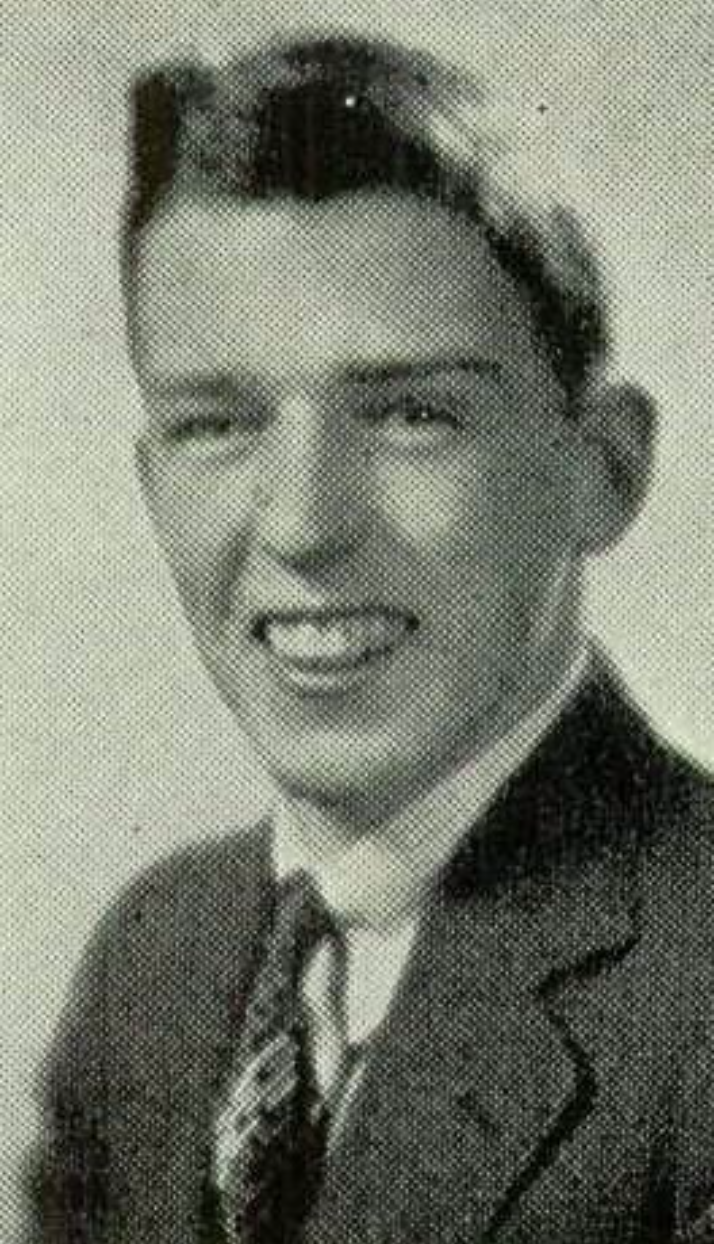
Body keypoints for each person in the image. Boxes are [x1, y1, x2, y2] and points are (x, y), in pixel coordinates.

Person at [25, 28, 714, 1244]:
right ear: (151, 480)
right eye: (216, 424)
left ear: (601, 469)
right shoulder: (153, 963)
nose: (302, 525)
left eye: (411, 414)